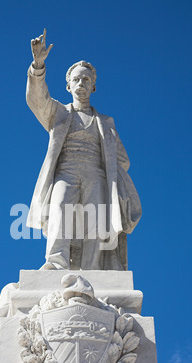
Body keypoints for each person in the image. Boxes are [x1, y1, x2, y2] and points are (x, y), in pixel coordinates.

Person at [26, 29, 141, 271]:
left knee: (96, 223)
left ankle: (92, 269)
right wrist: (38, 65)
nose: (81, 84)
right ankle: (56, 264)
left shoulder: (106, 123)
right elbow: (37, 100)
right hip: (65, 173)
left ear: (94, 87)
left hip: (96, 176)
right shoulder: (59, 113)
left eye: (86, 80)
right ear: (67, 86)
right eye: (76, 79)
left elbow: (122, 159)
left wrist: (112, 176)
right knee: (59, 211)